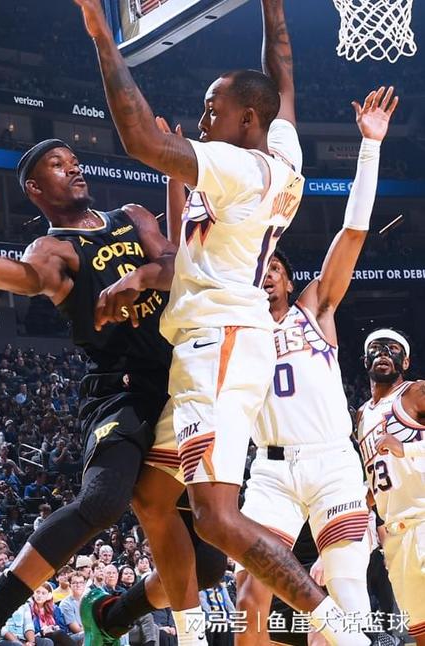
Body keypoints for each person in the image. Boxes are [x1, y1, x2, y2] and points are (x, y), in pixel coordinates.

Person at [72, 0, 363, 644]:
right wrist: (273, 10)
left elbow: (140, 140)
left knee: (214, 517)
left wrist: (101, 36)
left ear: (247, 119)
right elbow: (282, 77)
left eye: (213, 109)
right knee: (152, 494)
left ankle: (346, 632)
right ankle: (191, 633)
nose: (204, 120)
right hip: (215, 343)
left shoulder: (239, 168)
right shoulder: (279, 152)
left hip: (220, 346)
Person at [0, 129, 224, 644]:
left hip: (181, 387)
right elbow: (25, 277)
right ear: (35, 187)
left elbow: (175, 263)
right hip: (120, 391)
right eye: (57, 163)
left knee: (207, 567)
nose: (74, 167)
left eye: (73, 159)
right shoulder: (53, 248)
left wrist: (139, 276)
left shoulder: (132, 216)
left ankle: (112, 616)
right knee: (103, 502)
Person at [235, 84, 398, 645]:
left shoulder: (315, 310)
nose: (267, 274)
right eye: (260, 267)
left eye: (276, 267)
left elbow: (353, 232)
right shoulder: (236, 326)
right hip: (270, 470)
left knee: (349, 591)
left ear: (288, 278)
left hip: (331, 461)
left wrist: (370, 147)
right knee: (249, 594)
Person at [356, 329, 425, 644]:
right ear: (365, 360)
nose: (383, 352)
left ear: (405, 362)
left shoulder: (416, 391)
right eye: (376, 347)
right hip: (397, 535)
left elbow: (399, 453)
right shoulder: (361, 415)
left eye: (392, 348)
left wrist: (406, 448)